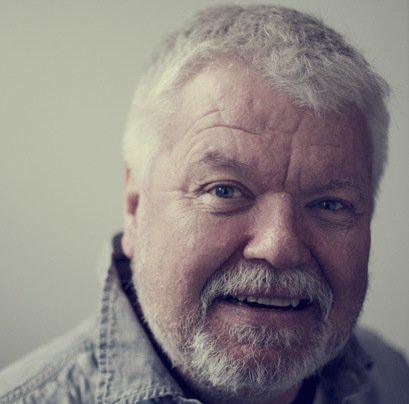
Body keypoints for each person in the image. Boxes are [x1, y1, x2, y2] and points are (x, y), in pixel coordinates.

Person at [1, 4, 408, 404]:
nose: (279, 246)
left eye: (330, 204)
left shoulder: (394, 379)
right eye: (224, 191)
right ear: (134, 207)